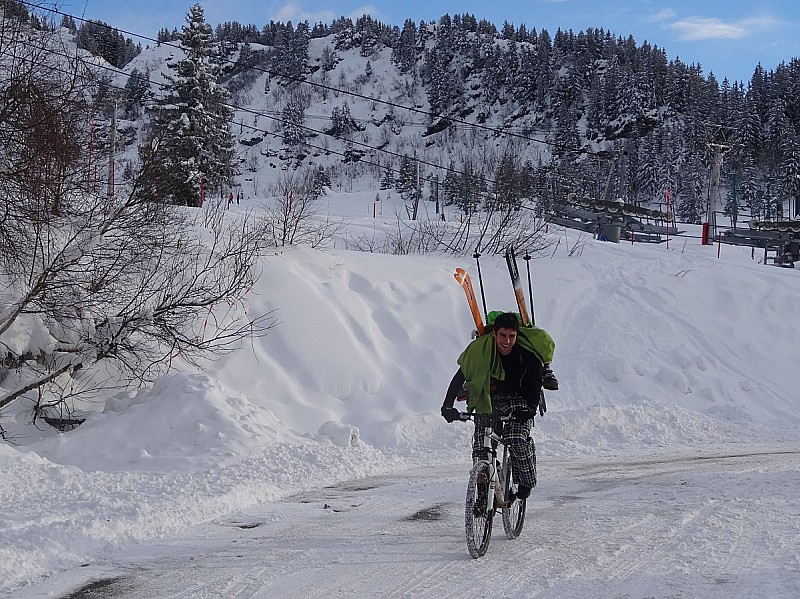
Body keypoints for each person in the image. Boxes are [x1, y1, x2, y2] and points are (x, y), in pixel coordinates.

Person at [441, 312, 557, 501]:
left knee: (516, 438)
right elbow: (460, 376)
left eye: (512, 336)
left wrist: (530, 409)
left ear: (517, 335)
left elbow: (535, 382)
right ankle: (482, 492)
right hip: (490, 397)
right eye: (502, 335)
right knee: (481, 447)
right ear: (494, 334)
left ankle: (525, 481)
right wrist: (447, 405)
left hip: (520, 397)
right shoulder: (480, 351)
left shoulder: (527, 354)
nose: (507, 341)